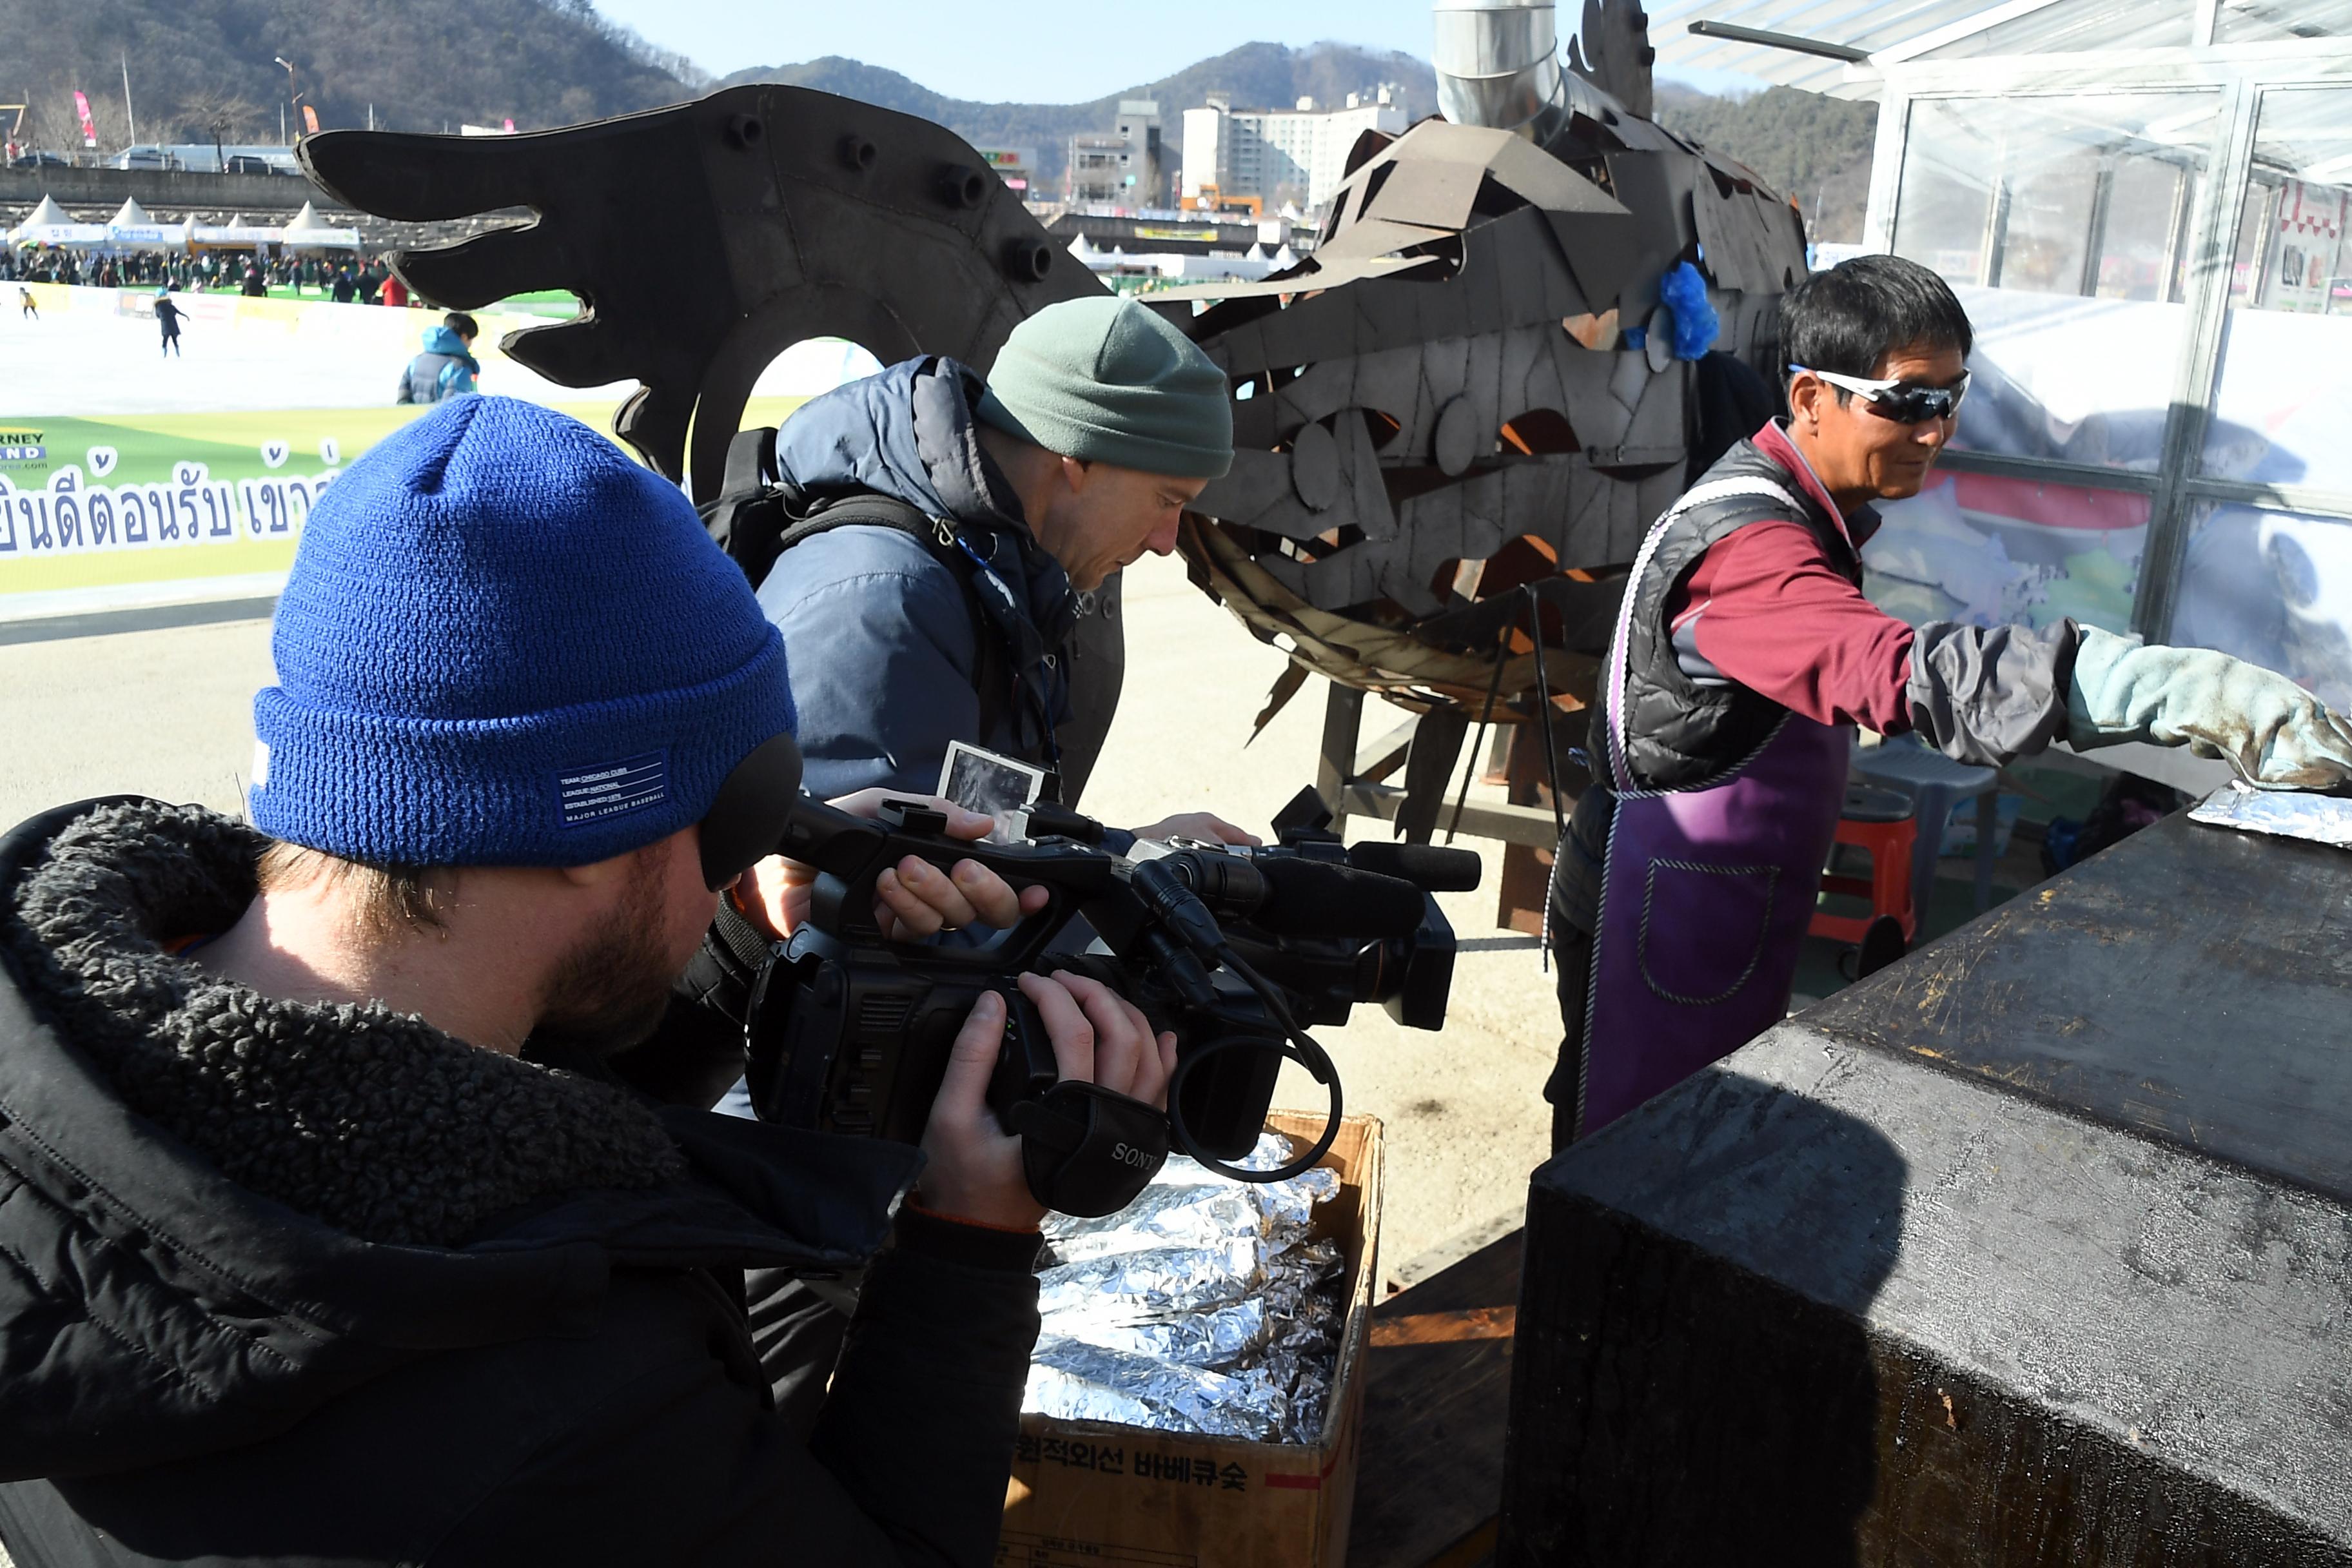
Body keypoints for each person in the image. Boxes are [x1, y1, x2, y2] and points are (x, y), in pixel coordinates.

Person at [0, 395, 1170, 1566]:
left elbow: (452, 1118)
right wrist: (969, 1245)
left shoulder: (60, 1083)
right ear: (585, 828)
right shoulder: (565, 1410)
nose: (745, 860)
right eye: (743, 812)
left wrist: (720, 946)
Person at [1546, 254, 2352, 1152]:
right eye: (1908, 400)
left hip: (1720, 903)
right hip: (1661, 913)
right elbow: (1898, 674)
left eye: (1950, 399)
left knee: (1691, 1154)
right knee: (1631, 1167)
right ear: (1812, 397)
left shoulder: (1801, 509)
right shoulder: (1750, 553)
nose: (1937, 431)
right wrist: (2158, 689)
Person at [750, 294, 1252, 847]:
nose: (1166, 542)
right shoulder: (884, 607)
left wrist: (1130, 852)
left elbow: (983, 845)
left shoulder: (994, 575)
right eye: (1165, 500)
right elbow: (887, 905)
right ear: (1076, 457)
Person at [395, 310, 481, 404]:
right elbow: (452, 407)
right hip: (438, 417)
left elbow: (403, 394)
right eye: (471, 340)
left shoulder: (417, 360)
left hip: (413, 417)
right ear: (464, 337)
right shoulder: (460, 367)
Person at [152, 285, 184, 357]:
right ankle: (177, 352)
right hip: (173, 323)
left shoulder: (158, 305)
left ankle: (164, 352)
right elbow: (175, 311)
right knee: (174, 339)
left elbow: (158, 315)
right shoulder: (169, 303)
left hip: (165, 325)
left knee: (165, 339)